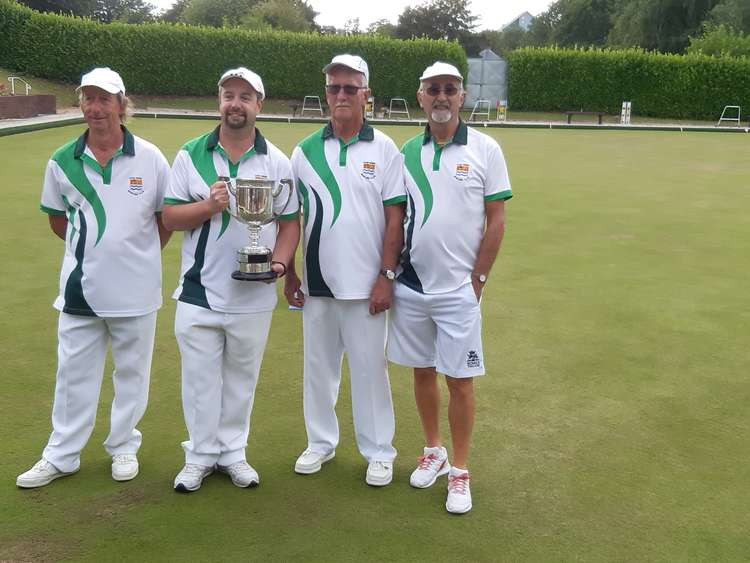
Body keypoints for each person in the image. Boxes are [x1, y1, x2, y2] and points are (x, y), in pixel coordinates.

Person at [16, 67, 171, 488]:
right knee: (73, 375)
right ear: (81, 104)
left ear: (122, 105)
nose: (95, 108)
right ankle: (62, 454)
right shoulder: (62, 160)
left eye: (104, 99)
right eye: (88, 98)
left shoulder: (151, 157)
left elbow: (165, 220)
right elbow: (57, 221)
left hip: (137, 290)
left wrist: (131, 256)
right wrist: (94, 255)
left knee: (132, 375)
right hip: (79, 289)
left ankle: (123, 446)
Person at [162, 67, 299, 493]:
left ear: (259, 104)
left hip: (252, 292)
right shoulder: (190, 154)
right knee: (199, 379)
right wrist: (208, 206)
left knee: (242, 377)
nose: (235, 104)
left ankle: (234, 453)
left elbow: (290, 223)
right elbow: (169, 216)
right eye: (228, 95)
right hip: (199, 290)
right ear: (218, 101)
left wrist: (277, 265)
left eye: (245, 96)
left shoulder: (276, 160)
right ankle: (200, 456)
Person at [387, 62, 512, 514]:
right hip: (413, 286)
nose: (441, 97)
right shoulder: (405, 152)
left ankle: (459, 471)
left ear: (462, 97)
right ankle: (434, 450)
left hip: (460, 288)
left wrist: (477, 280)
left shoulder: (485, 148)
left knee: (460, 381)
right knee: (422, 371)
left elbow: (496, 220)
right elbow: (396, 220)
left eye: (450, 90)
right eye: (433, 89)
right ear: (420, 96)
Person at [285, 54, 405, 486]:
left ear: (365, 95)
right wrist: (292, 273)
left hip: (367, 285)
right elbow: (290, 217)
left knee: (371, 370)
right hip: (317, 285)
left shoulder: (385, 148)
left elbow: (396, 218)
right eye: (334, 87)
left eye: (349, 88)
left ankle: (378, 451)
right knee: (318, 369)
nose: (340, 95)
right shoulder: (304, 151)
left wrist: (386, 275)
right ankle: (320, 443)